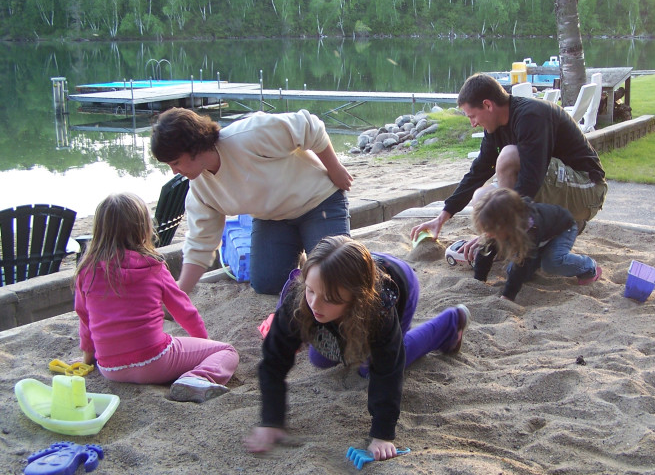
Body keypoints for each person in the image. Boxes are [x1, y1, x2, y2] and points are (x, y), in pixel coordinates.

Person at [244, 235, 470, 460]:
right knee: (320, 359)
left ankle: (449, 324)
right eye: (310, 291)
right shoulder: (299, 298)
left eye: (329, 299)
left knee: (369, 368)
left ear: (356, 299)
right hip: (349, 271)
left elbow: (389, 369)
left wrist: (382, 435)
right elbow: (274, 358)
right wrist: (271, 420)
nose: (314, 304)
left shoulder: (379, 309)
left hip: (400, 282)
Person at [150, 108, 353, 295]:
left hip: (318, 202)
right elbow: (199, 244)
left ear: (193, 148)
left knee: (334, 277)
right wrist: (180, 293)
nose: (174, 171)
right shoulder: (199, 190)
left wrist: (335, 169)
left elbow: (310, 126)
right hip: (273, 218)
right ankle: (298, 251)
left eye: (175, 162)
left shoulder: (248, 135)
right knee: (267, 283)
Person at [411, 72, 607, 258]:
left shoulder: (531, 116)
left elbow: (530, 181)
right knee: (480, 196)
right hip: (555, 191)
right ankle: (521, 240)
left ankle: (516, 240)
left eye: (472, 116)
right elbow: (477, 173)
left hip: (588, 191)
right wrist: (443, 216)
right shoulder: (494, 129)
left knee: (508, 156)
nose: (472, 123)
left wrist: (491, 234)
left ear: (487, 105)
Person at [74, 193, 239, 403]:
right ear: (144, 228)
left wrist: (88, 359)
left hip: (110, 368)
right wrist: (203, 343)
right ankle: (195, 378)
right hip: (155, 362)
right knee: (227, 351)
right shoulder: (153, 267)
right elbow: (185, 311)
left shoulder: (86, 272)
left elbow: (84, 319)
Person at [470, 187, 602, 301]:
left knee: (551, 263)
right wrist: (479, 280)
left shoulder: (529, 229)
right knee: (514, 272)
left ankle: (588, 266)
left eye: (490, 230)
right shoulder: (500, 228)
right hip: (541, 239)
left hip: (563, 229)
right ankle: (540, 256)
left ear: (507, 224)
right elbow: (485, 250)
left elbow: (522, 263)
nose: (487, 233)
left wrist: (508, 296)